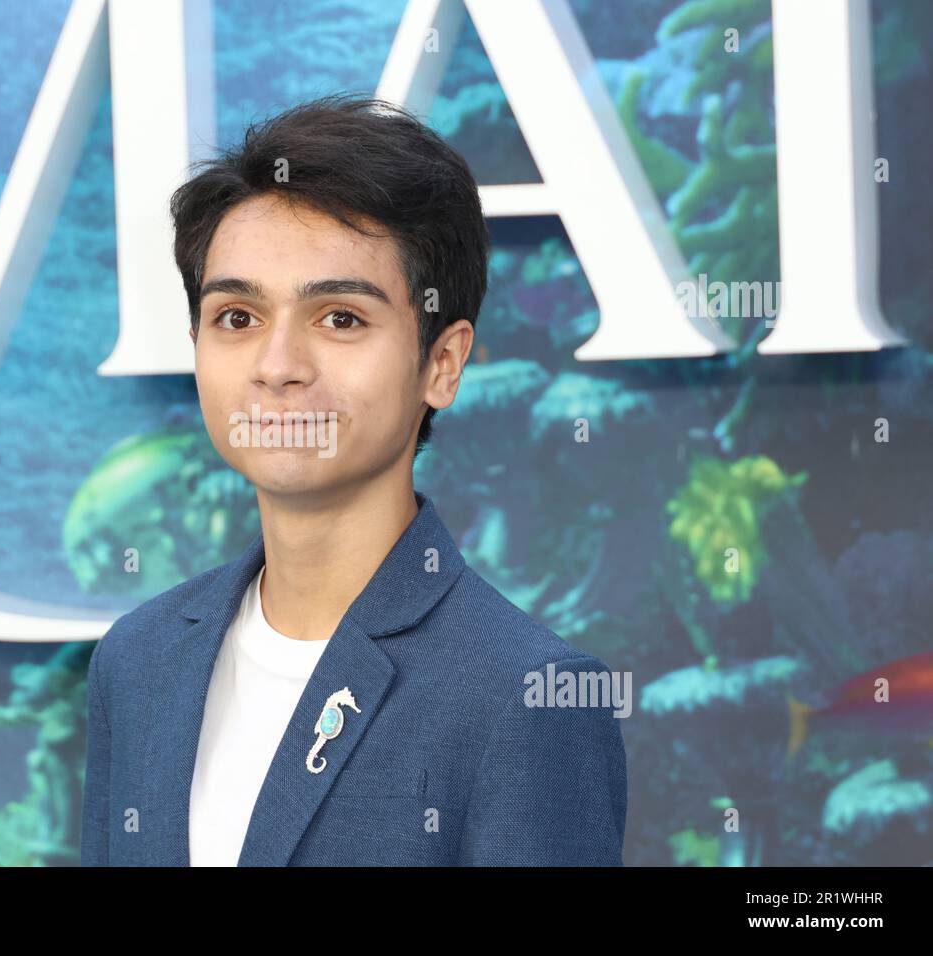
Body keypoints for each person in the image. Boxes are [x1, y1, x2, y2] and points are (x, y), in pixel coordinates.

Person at [80, 92, 627, 866]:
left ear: (442, 362)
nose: (277, 367)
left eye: (340, 318)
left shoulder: (523, 696)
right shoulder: (137, 661)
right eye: (237, 317)